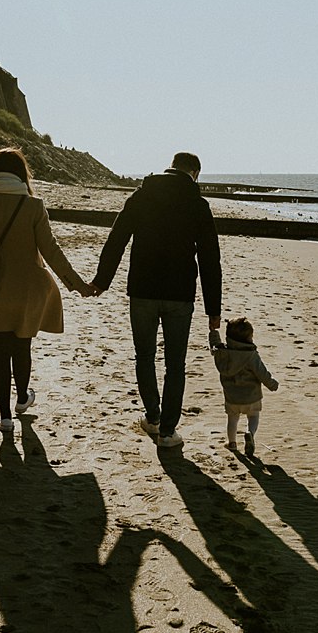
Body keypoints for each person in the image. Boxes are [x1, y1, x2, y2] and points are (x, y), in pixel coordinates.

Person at [0, 148, 97, 435]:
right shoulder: (33, 206)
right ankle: (21, 400)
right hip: (28, 291)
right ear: (22, 174)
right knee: (22, 347)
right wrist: (77, 284)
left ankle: (5, 417)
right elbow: (51, 251)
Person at [91, 151, 221, 448]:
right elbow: (211, 259)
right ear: (195, 173)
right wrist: (213, 310)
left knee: (144, 356)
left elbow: (117, 238)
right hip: (179, 295)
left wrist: (102, 281)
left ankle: (152, 416)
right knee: (175, 365)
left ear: (171, 167)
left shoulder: (142, 196)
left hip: (142, 291)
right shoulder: (198, 205)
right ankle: (166, 432)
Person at [209, 317, 279, 456]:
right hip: (251, 397)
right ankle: (250, 433)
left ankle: (232, 443)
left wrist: (213, 332)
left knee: (232, 419)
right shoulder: (251, 356)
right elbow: (262, 373)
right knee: (253, 417)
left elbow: (214, 345)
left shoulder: (222, 354)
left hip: (232, 397)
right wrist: (272, 384)